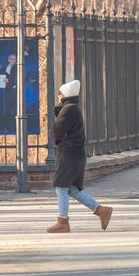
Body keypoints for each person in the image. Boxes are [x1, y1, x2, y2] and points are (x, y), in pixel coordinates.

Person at [47, 79, 113, 233]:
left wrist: (57, 135)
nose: (58, 95)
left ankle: (63, 221)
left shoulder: (68, 109)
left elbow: (57, 131)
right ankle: (101, 210)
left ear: (65, 95)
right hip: (75, 154)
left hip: (69, 154)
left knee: (61, 187)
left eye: (60, 93)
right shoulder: (72, 108)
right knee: (71, 189)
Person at [3, 53, 17, 132]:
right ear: (8, 60)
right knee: (7, 110)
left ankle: (17, 128)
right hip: (7, 92)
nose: (13, 60)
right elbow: (0, 76)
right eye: (11, 58)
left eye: (14, 59)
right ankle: (6, 127)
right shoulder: (4, 68)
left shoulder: (18, 68)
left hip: (15, 92)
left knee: (16, 111)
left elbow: (16, 78)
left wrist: (9, 82)